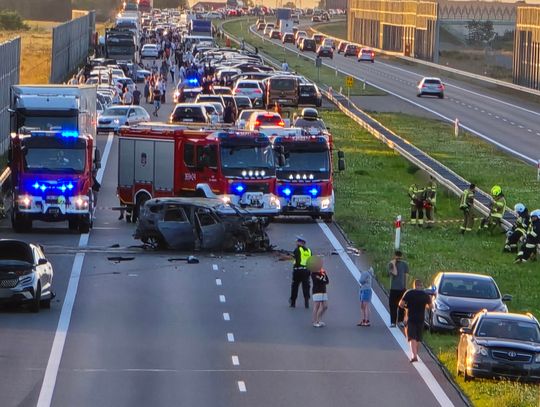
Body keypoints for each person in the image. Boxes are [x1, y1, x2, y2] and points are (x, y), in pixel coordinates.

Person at [399, 279, 432, 362]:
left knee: (411, 337)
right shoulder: (425, 295)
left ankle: (414, 355)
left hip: (411, 318)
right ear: (421, 285)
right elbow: (431, 306)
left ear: (414, 285)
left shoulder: (409, 293)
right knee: (417, 338)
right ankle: (415, 353)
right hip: (421, 319)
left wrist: (406, 307)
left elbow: (401, 304)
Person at [289, 236, 312, 309]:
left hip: (298, 270)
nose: (296, 242)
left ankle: (293, 302)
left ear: (301, 243)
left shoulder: (297, 250)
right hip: (306, 270)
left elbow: (295, 258)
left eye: (298, 241)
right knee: (306, 286)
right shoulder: (309, 250)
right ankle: (306, 302)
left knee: (295, 286)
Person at [388, 250, 408, 328]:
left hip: (402, 288)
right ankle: (393, 322)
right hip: (393, 288)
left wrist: (405, 286)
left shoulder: (404, 264)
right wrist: (393, 264)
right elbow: (394, 273)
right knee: (393, 305)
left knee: (402, 306)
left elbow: (406, 275)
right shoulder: (391, 264)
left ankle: (400, 321)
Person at [309, 256, 329, 327]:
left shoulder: (323, 272)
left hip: (323, 290)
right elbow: (317, 281)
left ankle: (319, 319)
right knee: (316, 306)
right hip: (317, 290)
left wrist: (322, 278)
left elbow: (327, 281)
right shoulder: (313, 272)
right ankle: (315, 321)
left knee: (325, 306)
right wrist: (322, 279)